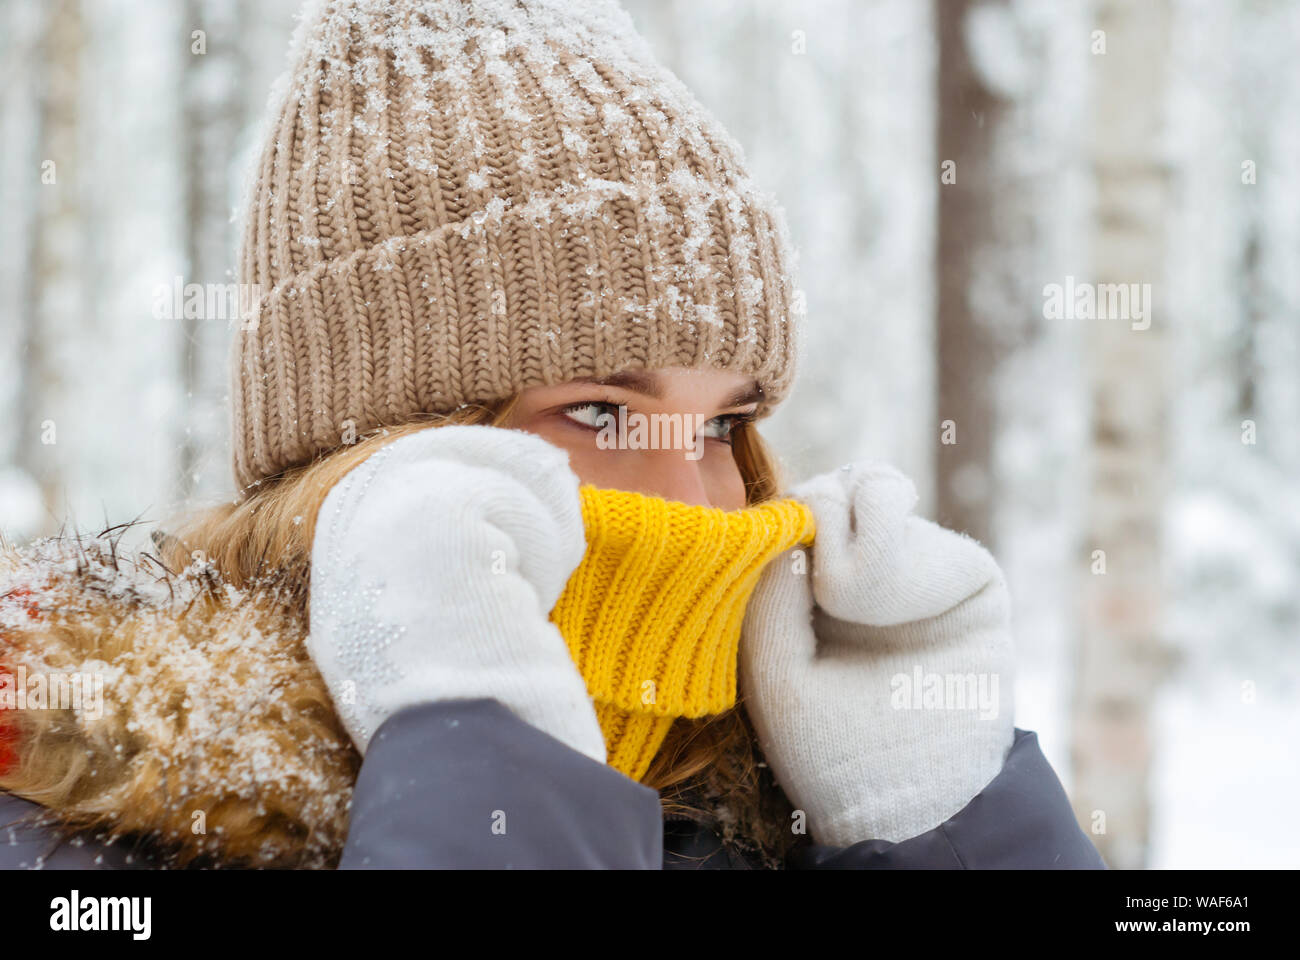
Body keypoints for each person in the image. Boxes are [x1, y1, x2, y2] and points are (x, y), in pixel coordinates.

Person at [0, 0, 1104, 870]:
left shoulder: (774, 803)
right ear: (374, 460)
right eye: (600, 411)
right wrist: (484, 768)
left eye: (725, 424)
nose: (701, 505)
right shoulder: (86, 816)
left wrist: (941, 819)